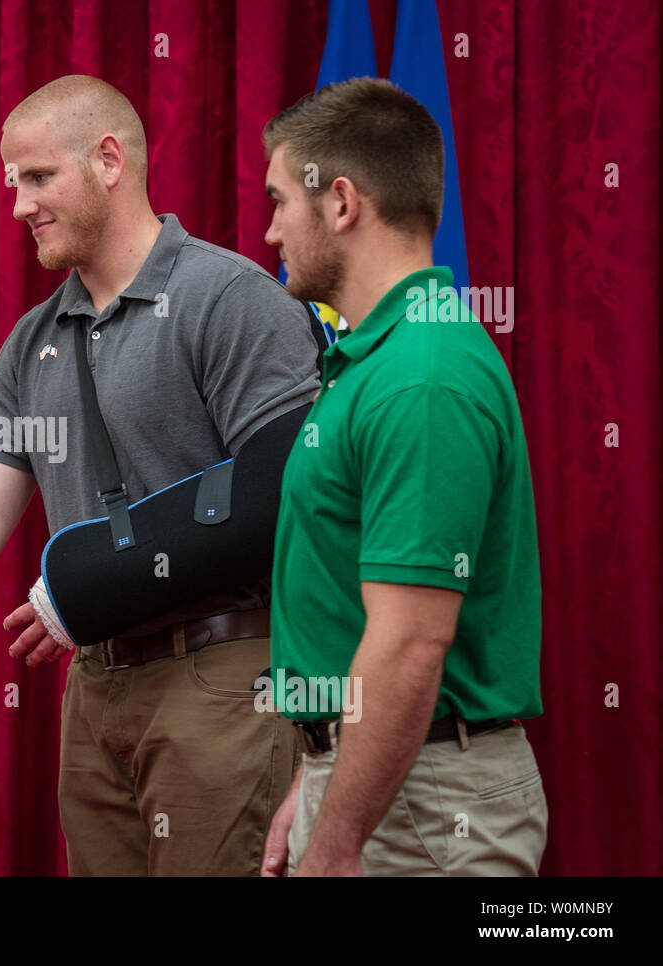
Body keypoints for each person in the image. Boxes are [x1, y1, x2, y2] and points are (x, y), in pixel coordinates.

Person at [0, 75, 322, 875]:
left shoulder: (230, 299)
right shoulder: (30, 342)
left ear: (109, 159)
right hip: (94, 692)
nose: (19, 207)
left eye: (39, 178)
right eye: (14, 184)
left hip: (222, 680)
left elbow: (286, 497)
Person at [258, 78, 547, 877]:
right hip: (387, 785)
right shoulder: (378, 361)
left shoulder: (420, 376)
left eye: (281, 200)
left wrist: (338, 841)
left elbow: (411, 645)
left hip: (423, 815)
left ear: (340, 202)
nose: (271, 227)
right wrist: (317, 777)